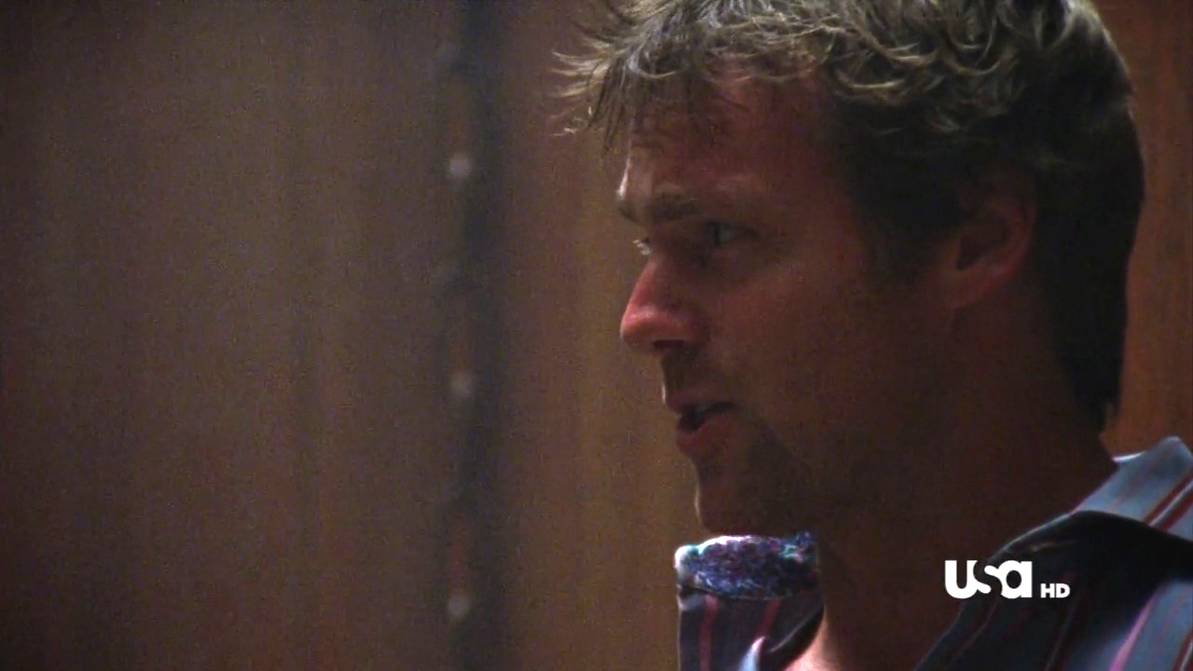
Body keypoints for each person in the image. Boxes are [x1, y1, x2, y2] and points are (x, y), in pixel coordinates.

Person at [561, 1, 1192, 669]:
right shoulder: (744, 631)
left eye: (717, 235)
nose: (640, 320)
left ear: (976, 241)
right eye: (648, 244)